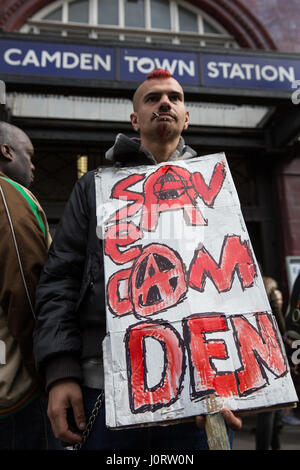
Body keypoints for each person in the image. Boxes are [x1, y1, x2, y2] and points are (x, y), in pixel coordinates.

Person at [33, 69, 242, 450]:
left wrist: (237, 376)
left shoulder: (214, 191)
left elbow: (235, 289)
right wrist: (60, 371)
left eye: (174, 98)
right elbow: (60, 280)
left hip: (202, 395)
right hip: (104, 393)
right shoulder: (93, 187)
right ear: (135, 119)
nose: (165, 103)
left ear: (186, 117)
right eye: (152, 98)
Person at [0, 122, 52, 449]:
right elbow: (27, 293)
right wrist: (48, 372)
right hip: (15, 392)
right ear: (6, 151)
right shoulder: (9, 198)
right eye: (28, 155)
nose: (33, 165)